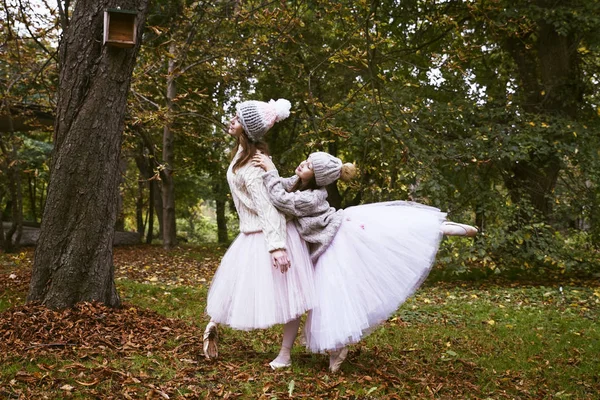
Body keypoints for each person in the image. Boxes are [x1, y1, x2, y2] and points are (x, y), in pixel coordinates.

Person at [253, 151, 477, 372]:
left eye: (309, 165)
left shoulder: (312, 197)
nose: (303, 164)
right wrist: (266, 168)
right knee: (332, 295)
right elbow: (282, 185)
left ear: (317, 177)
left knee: (335, 293)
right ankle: (336, 348)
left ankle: (439, 228)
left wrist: (270, 171)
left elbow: (281, 199)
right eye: (306, 160)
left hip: (334, 240)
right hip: (330, 238)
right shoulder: (299, 183)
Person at [203, 99, 316, 370]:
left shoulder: (253, 165)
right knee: (236, 283)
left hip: (271, 234)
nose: (232, 120)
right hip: (250, 233)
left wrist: (277, 247)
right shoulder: (243, 154)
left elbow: (268, 207)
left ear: (248, 130)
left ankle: (285, 354)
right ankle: (213, 325)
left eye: (238, 118)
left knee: (292, 296)